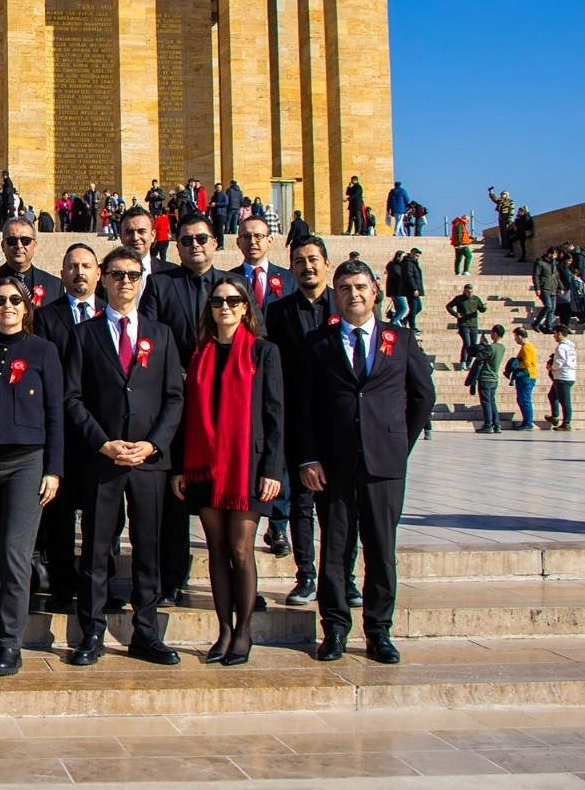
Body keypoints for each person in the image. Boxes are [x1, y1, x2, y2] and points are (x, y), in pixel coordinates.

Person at [294, 259, 434, 664]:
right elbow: (303, 405)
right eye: (344, 288)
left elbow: (423, 395)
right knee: (334, 549)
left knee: (381, 548)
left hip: (384, 464)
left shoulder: (400, 339)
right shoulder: (318, 341)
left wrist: (398, 442)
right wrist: (308, 457)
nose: (352, 295)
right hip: (333, 464)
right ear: (335, 294)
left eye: (359, 287)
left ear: (375, 291)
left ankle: (378, 630)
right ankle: (335, 629)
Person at [64, 246, 185, 666]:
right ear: (103, 278)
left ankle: (146, 633)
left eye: (133, 274)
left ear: (142, 280)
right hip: (103, 459)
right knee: (96, 549)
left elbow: (174, 397)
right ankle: (92, 632)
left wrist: (153, 444)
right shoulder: (84, 334)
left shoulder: (161, 334)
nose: (125, 282)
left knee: (148, 548)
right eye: (117, 274)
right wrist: (102, 443)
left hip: (148, 461)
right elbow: (72, 398)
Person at [170, 272, 282, 665]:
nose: (225, 308)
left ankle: (245, 631)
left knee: (240, 548)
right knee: (216, 549)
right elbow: (186, 414)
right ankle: (224, 630)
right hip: (204, 465)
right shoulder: (198, 353)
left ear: (246, 308)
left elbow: (275, 415)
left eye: (233, 301)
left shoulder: (263, 352)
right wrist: (180, 467)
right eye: (218, 301)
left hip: (246, 467)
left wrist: (273, 469)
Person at [0, 274, 63, 676]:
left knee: (14, 554)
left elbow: (55, 415)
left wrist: (54, 469)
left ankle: (11, 644)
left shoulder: (43, 351)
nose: (7, 306)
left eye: (15, 300)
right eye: (0, 300)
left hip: (26, 464)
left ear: (26, 307)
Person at [265, 235, 358, 607]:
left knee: (342, 506)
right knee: (301, 503)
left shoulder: (346, 304)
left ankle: (345, 578)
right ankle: (306, 575)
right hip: (297, 419)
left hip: (340, 422)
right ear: (291, 268)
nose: (307, 266)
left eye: (313, 259)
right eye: (300, 261)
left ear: (326, 264)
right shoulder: (278, 312)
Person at [142, 211, 225, 606]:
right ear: (176, 246)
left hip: (222, 406)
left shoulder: (232, 285)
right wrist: (178, 375)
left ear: (215, 242)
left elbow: (252, 340)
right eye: (187, 240)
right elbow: (149, 337)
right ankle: (171, 577)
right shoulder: (161, 284)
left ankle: (233, 577)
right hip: (175, 402)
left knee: (224, 493)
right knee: (173, 495)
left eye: (201, 239)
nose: (195, 246)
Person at [32, 242, 102, 611]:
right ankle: (62, 585)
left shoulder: (111, 312)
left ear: (98, 273)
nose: (79, 272)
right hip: (62, 429)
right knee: (59, 516)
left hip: (102, 433)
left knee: (102, 517)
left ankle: (99, 586)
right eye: (72, 266)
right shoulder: (46, 317)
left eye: (86, 266)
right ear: (61, 274)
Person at [0, 217, 63, 307]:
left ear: (34, 245)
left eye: (26, 241)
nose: (19, 246)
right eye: (12, 241)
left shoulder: (54, 285)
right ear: (3, 246)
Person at [235, 213, 294, 309]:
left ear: (269, 241)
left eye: (258, 236)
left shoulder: (289, 279)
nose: (252, 242)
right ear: (238, 242)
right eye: (246, 237)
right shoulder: (229, 279)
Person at [472, 324, 505, 434]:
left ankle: (487, 425)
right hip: (494, 378)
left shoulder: (491, 347)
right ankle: (497, 424)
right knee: (492, 402)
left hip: (485, 377)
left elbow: (479, 356)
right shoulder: (502, 347)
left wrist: (482, 345)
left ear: (495, 333)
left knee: (486, 402)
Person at [446, 284, 486, 370]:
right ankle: (463, 361)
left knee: (473, 344)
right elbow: (449, 306)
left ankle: (469, 362)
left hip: (473, 324)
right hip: (463, 324)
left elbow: (481, 309)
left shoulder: (476, 299)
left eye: (472, 292)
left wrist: (484, 307)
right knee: (467, 343)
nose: (470, 294)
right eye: (468, 292)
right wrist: (456, 314)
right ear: (464, 291)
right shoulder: (459, 299)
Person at [545, 324, 576, 431]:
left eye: (554, 334)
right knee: (552, 395)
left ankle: (566, 423)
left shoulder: (561, 347)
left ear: (559, 333)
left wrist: (551, 367)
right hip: (567, 375)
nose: (554, 336)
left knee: (565, 401)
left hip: (563, 376)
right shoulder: (570, 346)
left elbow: (559, 361)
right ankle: (554, 416)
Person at [510, 327, 537, 431]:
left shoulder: (526, 347)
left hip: (527, 377)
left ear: (520, 336)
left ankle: (528, 423)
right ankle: (526, 421)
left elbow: (526, 363)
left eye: (515, 336)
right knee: (521, 399)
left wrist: (516, 365)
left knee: (525, 400)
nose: (515, 339)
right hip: (526, 377)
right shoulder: (527, 346)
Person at [533, 249, 562, 331]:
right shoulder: (540, 263)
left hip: (553, 288)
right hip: (544, 288)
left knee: (552, 309)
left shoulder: (554, 264)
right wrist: (537, 288)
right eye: (555, 254)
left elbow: (556, 277)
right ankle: (537, 323)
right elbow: (536, 276)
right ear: (549, 254)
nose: (556, 256)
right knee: (548, 306)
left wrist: (560, 287)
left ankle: (548, 326)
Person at [401, 248, 425, 331]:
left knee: (418, 307)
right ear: (412, 253)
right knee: (414, 308)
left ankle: (405, 320)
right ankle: (412, 326)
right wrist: (414, 289)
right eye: (416, 255)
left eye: (418, 256)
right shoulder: (408, 263)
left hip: (415, 289)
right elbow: (409, 277)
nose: (417, 257)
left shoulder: (413, 263)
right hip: (411, 290)